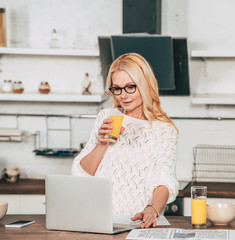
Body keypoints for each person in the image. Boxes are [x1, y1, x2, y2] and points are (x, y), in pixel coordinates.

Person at [71, 53, 179, 228]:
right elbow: (80, 174)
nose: (123, 95)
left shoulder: (164, 130)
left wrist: (152, 210)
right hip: (96, 221)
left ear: (145, 85)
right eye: (117, 88)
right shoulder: (106, 117)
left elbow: (164, 180)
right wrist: (101, 144)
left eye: (130, 87)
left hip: (138, 223)